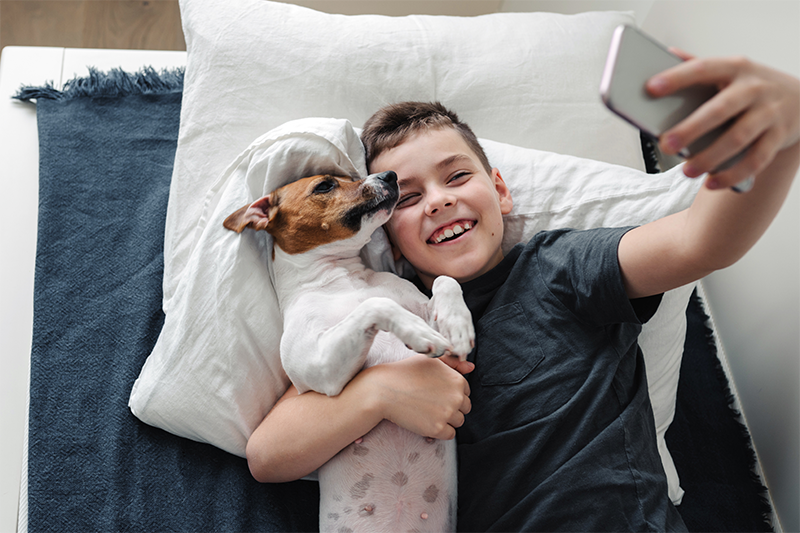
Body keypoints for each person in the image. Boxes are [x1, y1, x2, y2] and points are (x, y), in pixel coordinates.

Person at [246, 52, 800, 532]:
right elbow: (268, 453)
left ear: (501, 192)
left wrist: (782, 135)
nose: (437, 200)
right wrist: (381, 393)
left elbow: (698, 241)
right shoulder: (386, 318)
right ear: (383, 229)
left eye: (457, 176)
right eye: (409, 198)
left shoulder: (559, 263)